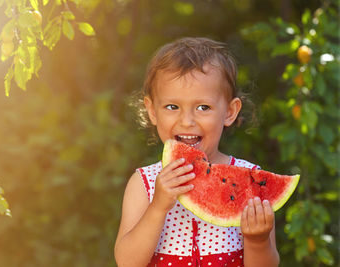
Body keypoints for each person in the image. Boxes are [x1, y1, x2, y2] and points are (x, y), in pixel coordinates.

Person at [114, 37, 280, 267]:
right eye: (172, 107)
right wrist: (158, 207)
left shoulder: (251, 180)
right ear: (152, 111)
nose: (187, 121)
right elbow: (127, 263)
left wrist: (258, 240)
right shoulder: (144, 183)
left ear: (230, 112)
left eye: (203, 107)